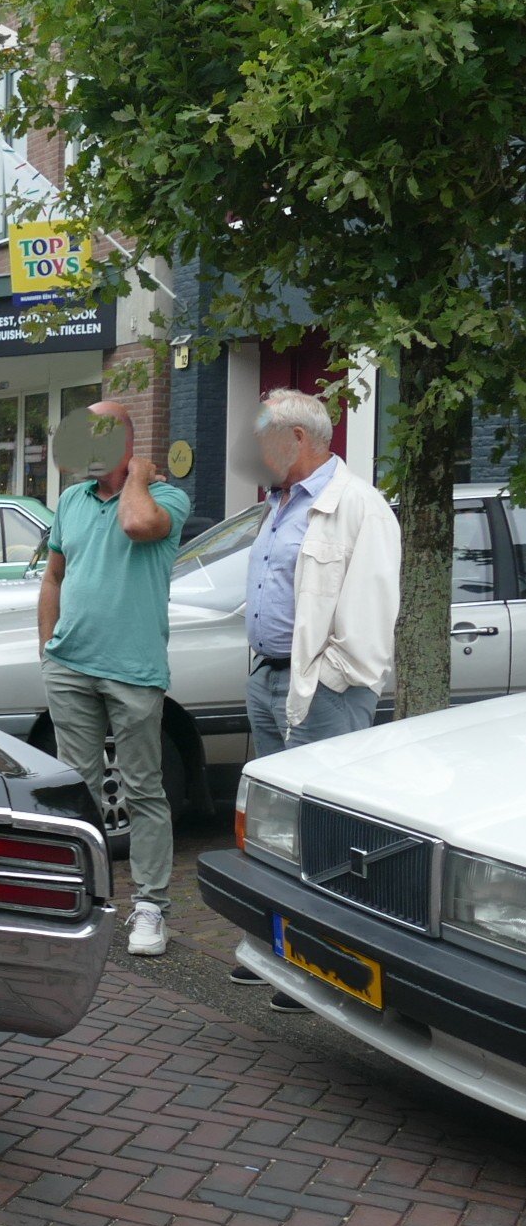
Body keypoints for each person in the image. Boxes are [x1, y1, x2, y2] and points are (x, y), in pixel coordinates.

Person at [234, 389, 401, 1007]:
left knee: (323, 832)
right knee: (279, 828)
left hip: (323, 691)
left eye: (262, 436)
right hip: (269, 680)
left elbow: (369, 622)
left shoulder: (359, 506)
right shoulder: (278, 505)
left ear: (296, 440)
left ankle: (319, 967)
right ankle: (279, 947)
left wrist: (322, 679)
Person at [36, 401, 192, 959]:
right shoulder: (72, 502)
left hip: (132, 669)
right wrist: (48, 648)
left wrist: (141, 475)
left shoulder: (166, 497)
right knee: (77, 788)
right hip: (70, 666)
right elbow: (55, 575)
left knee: (142, 788)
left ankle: (150, 907)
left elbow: (135, 523)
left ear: (123, 440)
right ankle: (83, 896)